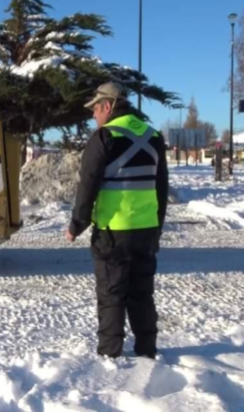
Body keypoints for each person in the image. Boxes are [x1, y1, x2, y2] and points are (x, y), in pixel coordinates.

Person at [65, 82, 169, 359]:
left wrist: (77, 224)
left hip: (113, 233)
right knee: (142, 295)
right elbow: (161, 189)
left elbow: (88, 184)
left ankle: (110, 359)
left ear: (108, 106)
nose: (93, 116)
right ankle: (147, 352)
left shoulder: (104, 137)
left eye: (95, 109)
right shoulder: (154, 136)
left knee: (112, 296)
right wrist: (156, 230)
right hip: (145, 232)